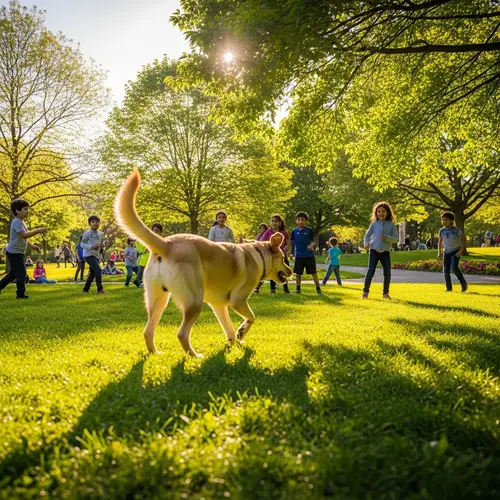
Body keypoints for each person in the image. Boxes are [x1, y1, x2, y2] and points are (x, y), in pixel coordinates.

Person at [0, 199, 47, 299]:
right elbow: (24, 235)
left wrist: (32, 246)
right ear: (17, 211)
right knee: (22, 273)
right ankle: (20, 294)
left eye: (27, 209)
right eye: (25, 209)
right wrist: (38, 230)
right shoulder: (17, 222)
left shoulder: (22, 222)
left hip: (17, 252)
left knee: (13, 274)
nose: (27, 211)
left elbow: (24, 237)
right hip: (14, 252)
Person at [361, 202, 399, 300]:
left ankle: (385, 294)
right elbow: (367, 235)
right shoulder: (374, 224)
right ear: (376, 213)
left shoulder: (391, 225)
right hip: (374, 250)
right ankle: (365, 292)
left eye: (383, 211)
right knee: (370, 272)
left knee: (387, 273)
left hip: (385, 252)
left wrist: (387, 237)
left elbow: (396, 239)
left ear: (387, 212)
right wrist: (366, 243)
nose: (380, 213)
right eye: (378, 211)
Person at [254, 214, 290, 294]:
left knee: (284, 271)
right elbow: (262, 242)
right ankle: (271, 289)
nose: (274, 223)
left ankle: (286, 289)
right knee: (271, 272)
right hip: (271, 257)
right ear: (270, 223)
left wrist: (287, 248)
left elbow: (288, 242)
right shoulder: (268, 232)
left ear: (280, 223)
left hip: (282, 256)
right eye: (272, 221)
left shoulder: (283, 232)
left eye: (276, 221)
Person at [290, 211, 321, 294]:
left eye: (303, 220)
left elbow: (314, 240)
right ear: (296, 221)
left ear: (306, 221)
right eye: (299, 219)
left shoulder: (309, 230)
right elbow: (292, 243)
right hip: (299, 256)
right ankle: (298, 288)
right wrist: (291, 253)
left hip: (309, 256)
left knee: (314, 273)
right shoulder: (294, 231)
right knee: (298, 274)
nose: (300, 221)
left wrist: (311, 245)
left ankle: (318, 288)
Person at [438, 212, 468, 293]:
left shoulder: (456, 230)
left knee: (454, 268)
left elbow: (464, 240)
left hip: (455, 251)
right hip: (446, 252)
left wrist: (461, 251)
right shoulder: (442, 230)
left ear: (451, 220)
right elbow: (440, 242)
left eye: (446, 220)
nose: (444, 221)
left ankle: (463, 284)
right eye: (442, 220)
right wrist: (439, 252)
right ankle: (449, 288)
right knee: (445, 270)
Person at [81, 215, 108, 294]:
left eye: (97, 222)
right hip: (88, 255)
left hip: (96, 255)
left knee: (92, 273)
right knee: (98, 270)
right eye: (93, 222)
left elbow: (100, 244)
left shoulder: (100, 233)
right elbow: (82, 244)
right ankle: (100, 290)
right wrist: (91, 246)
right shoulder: (87, 233)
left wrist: (101, 245)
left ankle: (85, 289)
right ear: (89, 224)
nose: (95, 223)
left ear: (99, 223)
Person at [134, 222, 163, 288]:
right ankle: (139, 282)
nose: (156, 232)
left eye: (158, 231)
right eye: (155, 230)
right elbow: (138, 243)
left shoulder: (158, 239)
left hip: (153, 259)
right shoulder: (147, 237)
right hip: (145, 258)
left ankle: (139, 282)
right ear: (152, 229)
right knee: (142, 273)